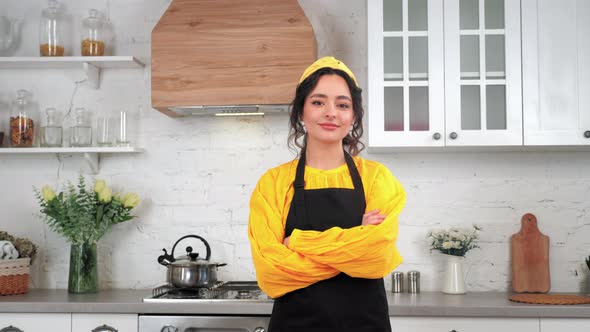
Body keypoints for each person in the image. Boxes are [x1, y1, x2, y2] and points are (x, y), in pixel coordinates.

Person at [248, 56, 406, 332]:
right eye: (318, 102)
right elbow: (271, 272)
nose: (331, 112)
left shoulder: (376, 178)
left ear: (353, 115)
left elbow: (377, 257)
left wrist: (297, 243)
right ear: (301, 111)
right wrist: (356, 243)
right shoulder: (273, 182)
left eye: (343, 105)